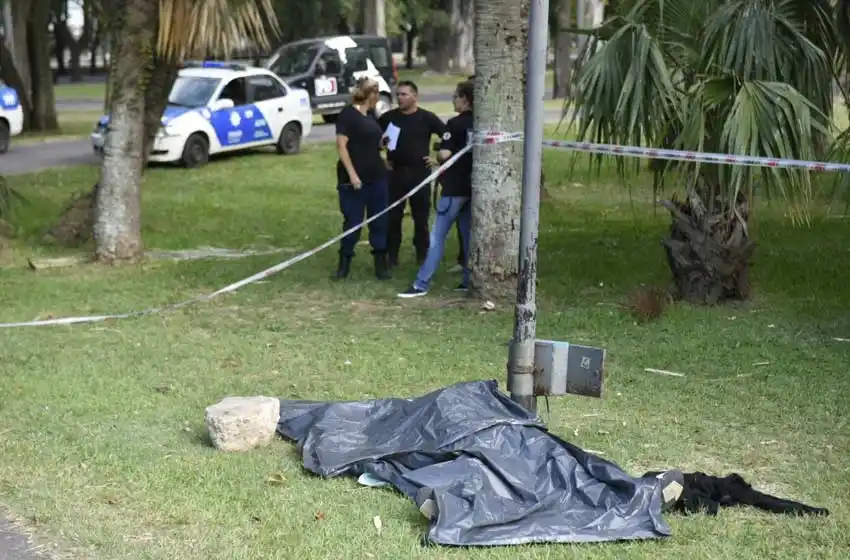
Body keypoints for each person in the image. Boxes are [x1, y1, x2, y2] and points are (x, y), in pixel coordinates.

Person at [398, 80, 474, 298]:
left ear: (465, 99)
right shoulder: (480, 122)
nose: (453, 100)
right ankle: (468, 280)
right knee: (467, 236)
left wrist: (439, 154)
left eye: (456, 96)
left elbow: (445, 155)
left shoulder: (455, 123)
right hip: (472, 187)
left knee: (437, 236)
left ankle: (421, 283)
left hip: (453, 188)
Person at [378, 81, 446, 268]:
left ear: (415, 96)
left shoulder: (427, 118)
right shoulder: (388, 118)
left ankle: (422, 254)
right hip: (395, 173)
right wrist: (381, 155)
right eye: (398, 94)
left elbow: (448, 136)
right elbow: (373, 140)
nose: (400, 98)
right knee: (393, 216)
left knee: (421, 216)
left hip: (419, 173)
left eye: (404, 94)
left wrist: (437, 158)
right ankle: (392, 255)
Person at [332, 77, 391, 281]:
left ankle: (381, 264)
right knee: (353, 222)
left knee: (380, 221)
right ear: (370, 94)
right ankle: (344, 263)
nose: (378, 99)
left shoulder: (371, 115)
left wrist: (382, 144)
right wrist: (353, 175)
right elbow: (342, 146)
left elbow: (371, 143)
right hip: (355, 180)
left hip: (377, 176)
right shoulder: (348, 114)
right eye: (376, 94)